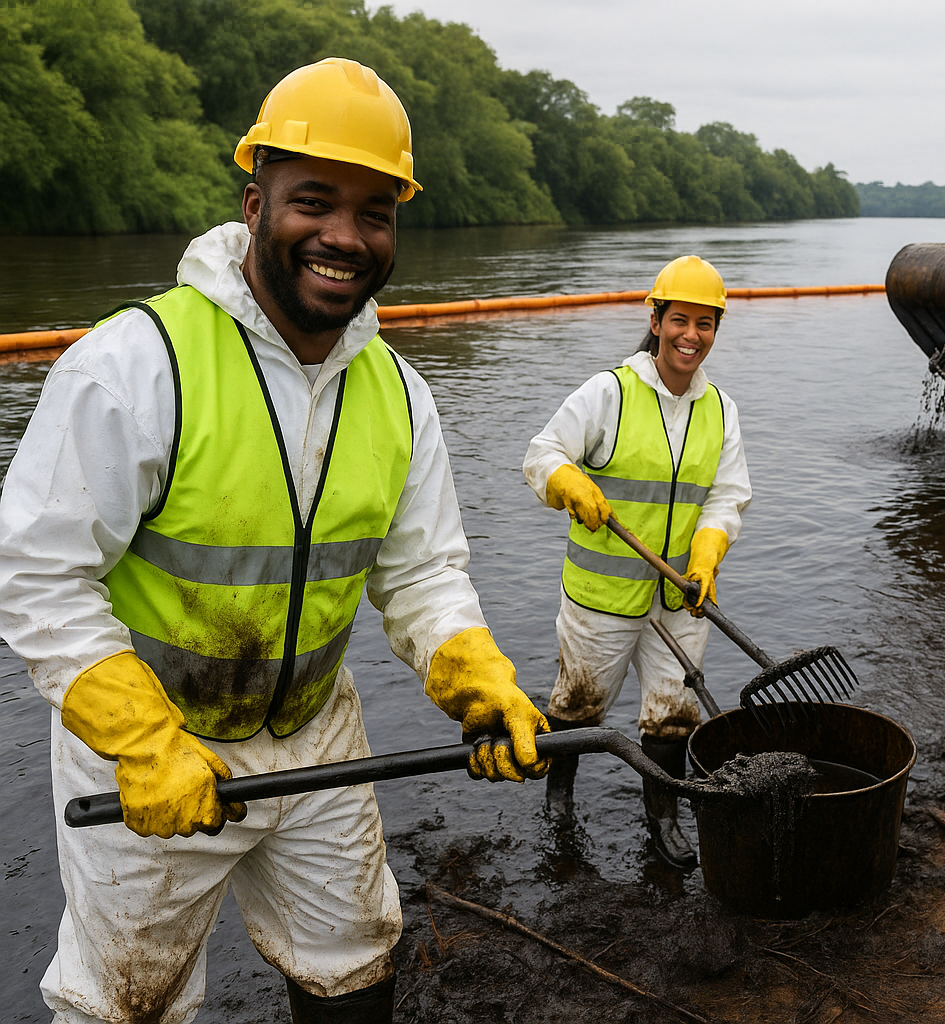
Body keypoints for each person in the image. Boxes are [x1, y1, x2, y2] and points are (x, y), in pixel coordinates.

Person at [0, 58, 551, 1024]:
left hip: (315, 735)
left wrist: (479, 677)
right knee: (126, 1002)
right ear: (254, 203)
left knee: (352, 960)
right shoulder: (136, 364)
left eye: (374, 211)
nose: (344, 235)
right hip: (154, 755)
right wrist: (140, 741)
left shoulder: (399, 395)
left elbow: (423, 574)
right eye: (313, 201)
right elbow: (37, 574)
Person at [523, 255, 751, 870]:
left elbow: (727, 497)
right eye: (680, 320)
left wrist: (709, 551)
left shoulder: (721, 410)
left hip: (682, 597)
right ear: (655, 319)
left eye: (706, 324)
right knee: (578, 704)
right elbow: (540, 454)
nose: (691, 336)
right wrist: (568, 481)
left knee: (674, 712)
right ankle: (561, 801)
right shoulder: (610, 393)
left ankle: (663, 816)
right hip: (601, 596)